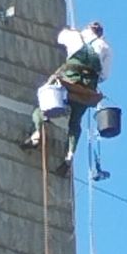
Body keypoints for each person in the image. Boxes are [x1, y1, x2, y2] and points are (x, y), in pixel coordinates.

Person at [21, 21, 112, 175]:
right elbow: (104, 75)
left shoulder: (74, 35)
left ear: (88, 29)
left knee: (43, 109)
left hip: (68, 83)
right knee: (75, 122)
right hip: (87, 90)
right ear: (100, 34)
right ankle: (69, 156)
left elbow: (59, 38)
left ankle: (37, 135)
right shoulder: (106, 48)